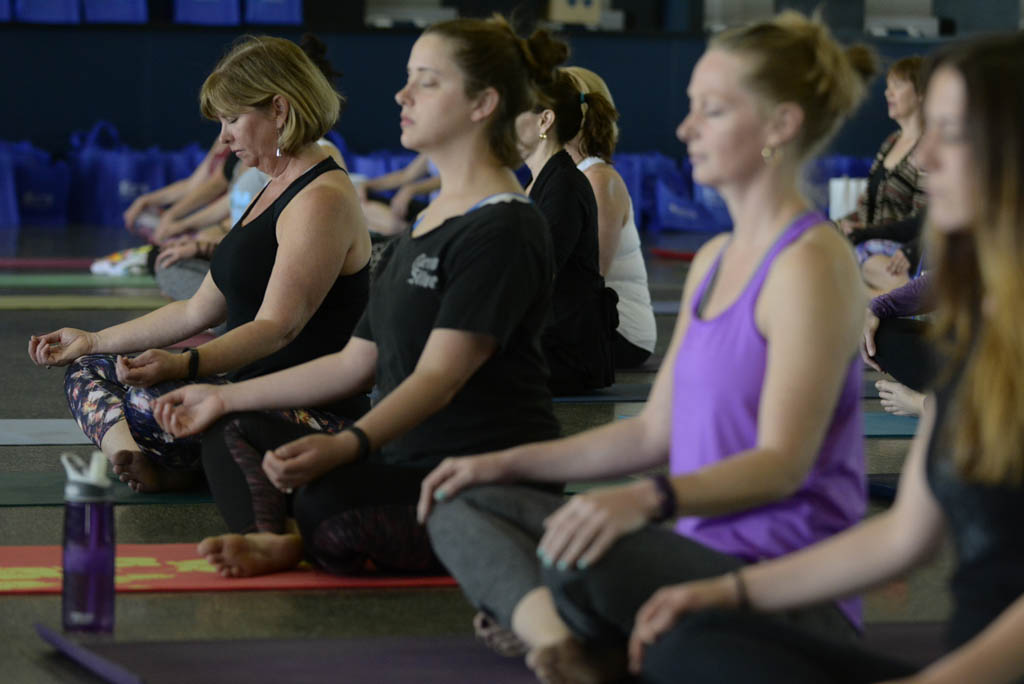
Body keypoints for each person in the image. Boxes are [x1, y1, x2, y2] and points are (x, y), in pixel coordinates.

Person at [419, 11, 876, 682]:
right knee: (466, 500)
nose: (686, 129)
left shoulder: (812, 262)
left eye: (712, 111)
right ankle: (571, 634)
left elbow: (781, 465)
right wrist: (501, 463)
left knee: (573, 554)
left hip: (778, 583)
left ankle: (563, 621)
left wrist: (640, 501)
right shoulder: (719, 256)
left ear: (780, 125)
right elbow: (654, 432)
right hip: (686, 559)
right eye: (691, 108)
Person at [623, 33, 1024, 684]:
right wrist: (729, 594)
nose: (928, 155)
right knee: (693, 641)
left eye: (950, 132)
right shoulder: (985, 332)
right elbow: (901, 538)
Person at [151, 16, 568, 579]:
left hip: (481, 471)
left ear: (482, 103)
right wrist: (221, 398)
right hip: (405, 457)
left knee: (327, 506)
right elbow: (355, 363)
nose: (403, 93)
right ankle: (277, 535)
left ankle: (306, 536)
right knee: (231, 424)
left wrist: (347, 445)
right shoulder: (424, 226)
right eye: (407, 77)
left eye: (426, 80)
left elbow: (437, 379)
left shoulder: (505, 226)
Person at [27, 35, 371, 493]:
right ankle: (135, 458)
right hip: (247, 393)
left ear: (279, 110)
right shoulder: (269, 183)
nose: (224, 137)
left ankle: (184, 463)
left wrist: (184, 365)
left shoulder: (320, 197)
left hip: (306, 413)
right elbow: (198, 310)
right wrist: (92, 339)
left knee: (154, 399)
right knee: (90, 366)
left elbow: (276, 327)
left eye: (232, 120)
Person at [517, 68, 616, 393]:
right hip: (549, 338)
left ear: (544, 121)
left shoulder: (564, 186)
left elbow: (535, 273)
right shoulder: (543, 180)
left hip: (566, 353)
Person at [562, 66, 657, 369]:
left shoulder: (599, 179)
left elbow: (592, 275)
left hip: (622, 332)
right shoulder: (557, 176)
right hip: (581, 318)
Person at [838, 56, 927, 293]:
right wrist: (846, 225)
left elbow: (926, 219)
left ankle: (909, 298)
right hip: (871, 245)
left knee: (856, 257)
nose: (888, 93)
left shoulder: (929, 149)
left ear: (921, 93)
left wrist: (911, 250)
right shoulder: (891, 142)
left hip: (898, 252)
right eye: (887, 87)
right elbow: (866, 204)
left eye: (897, 86)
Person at [355, 152, 441, 236]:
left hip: (443, 213)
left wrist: (410, 190)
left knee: (367, 212)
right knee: (364, 201)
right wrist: (367, 185)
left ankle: (408, 233)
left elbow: (450, 179)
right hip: (430, 208)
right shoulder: (432, 149)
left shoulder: (452, 147)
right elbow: (405, 175)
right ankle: (401, 230)